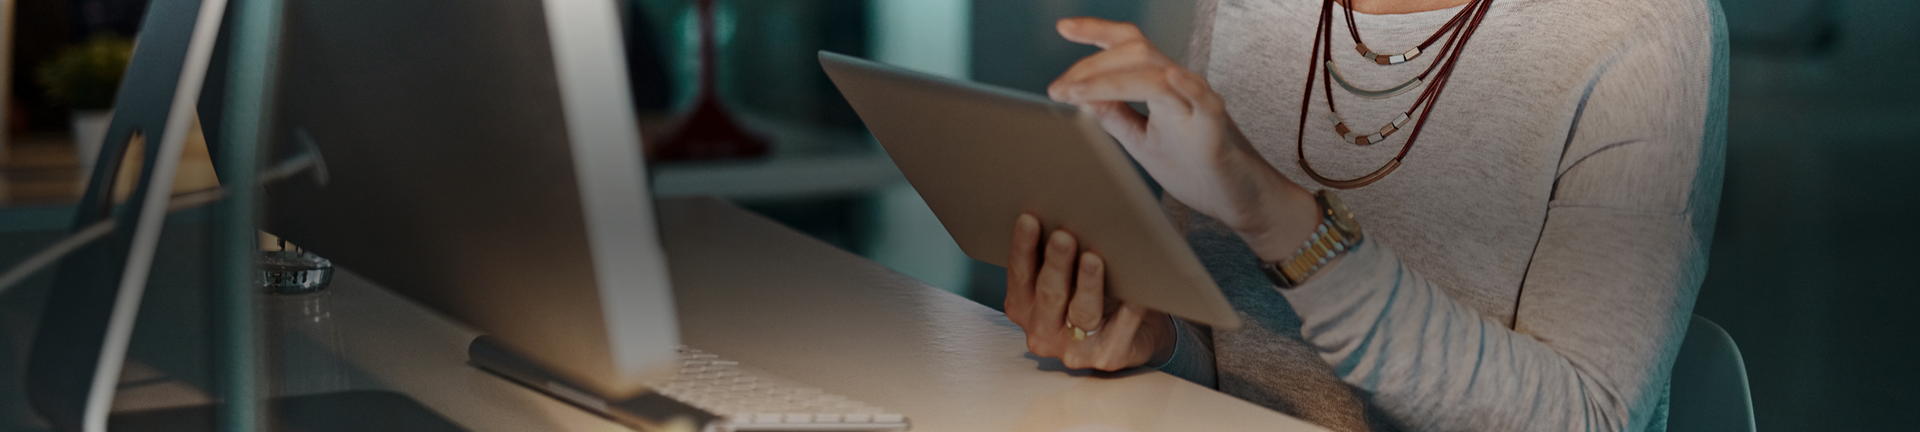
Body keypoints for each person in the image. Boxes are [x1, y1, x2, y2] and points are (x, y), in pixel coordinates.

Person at [998, 0, 1726, 430]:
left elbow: (1585, 416)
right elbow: (1231, 354)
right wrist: (1152, 338)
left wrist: (1287, 225)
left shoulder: (1647, 26)